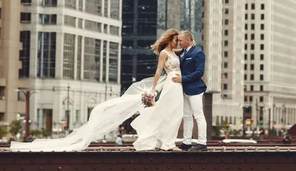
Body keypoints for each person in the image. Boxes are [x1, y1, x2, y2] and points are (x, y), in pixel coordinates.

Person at [10, 29, 184, 152]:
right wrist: (153, 89)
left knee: (174, 113)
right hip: (170, 84)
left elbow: (187, 48)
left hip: (176, 84)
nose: (178, 42)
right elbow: (157, 72)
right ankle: (167, 143)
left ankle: (166, 141)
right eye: (176, 39)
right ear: (170, 40)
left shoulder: (176, 52)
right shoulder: (164, 54)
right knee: (169, 113)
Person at [173, 30, 208, 152]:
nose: (178, 43)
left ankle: (202, 143)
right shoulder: (183, 52)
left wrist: (182, 79)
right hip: (185, 89)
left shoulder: (198, 53)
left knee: (198, 115)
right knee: (187, 116)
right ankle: (187, 142)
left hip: (195, 89)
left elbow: (199, 72)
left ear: (188, 40)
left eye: (180, 40)